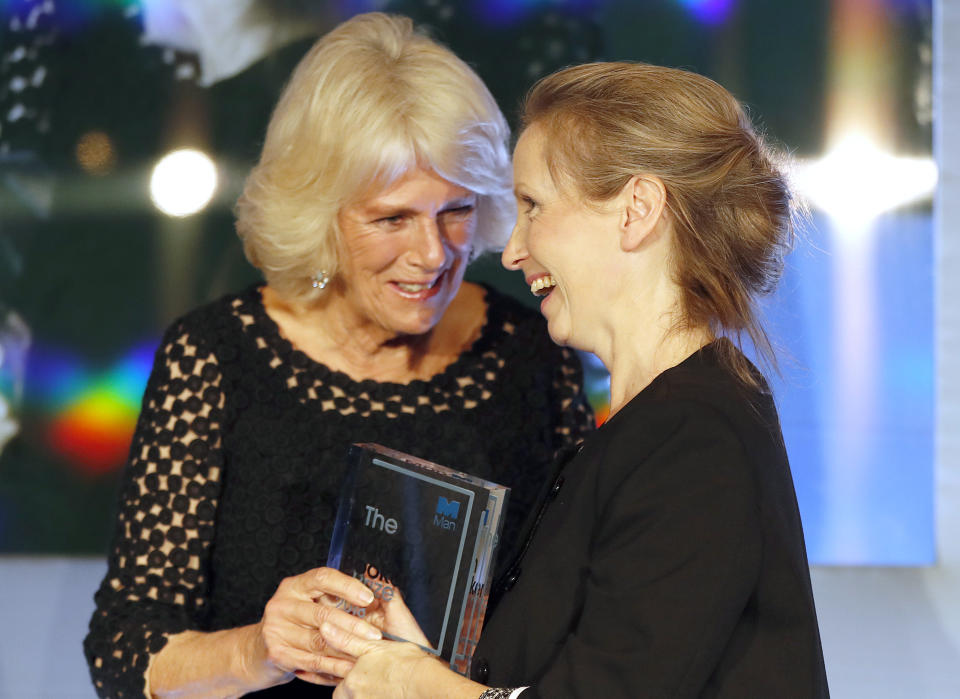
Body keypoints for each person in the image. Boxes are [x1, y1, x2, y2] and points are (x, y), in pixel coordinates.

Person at [83, 13, 594, 698]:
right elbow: (123, 653)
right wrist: (259, 649)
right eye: (391, 218)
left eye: (456, 210)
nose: (432, 253)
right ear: (318, 211)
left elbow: (583, 614)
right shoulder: (215, 356)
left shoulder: (532, 352)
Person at [318, 62, 830, 698]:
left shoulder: (693, 433)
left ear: (636, 210)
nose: (511, 250)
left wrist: (419, 687)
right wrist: (414, 662)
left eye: (533, 206)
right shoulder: (652, 428)